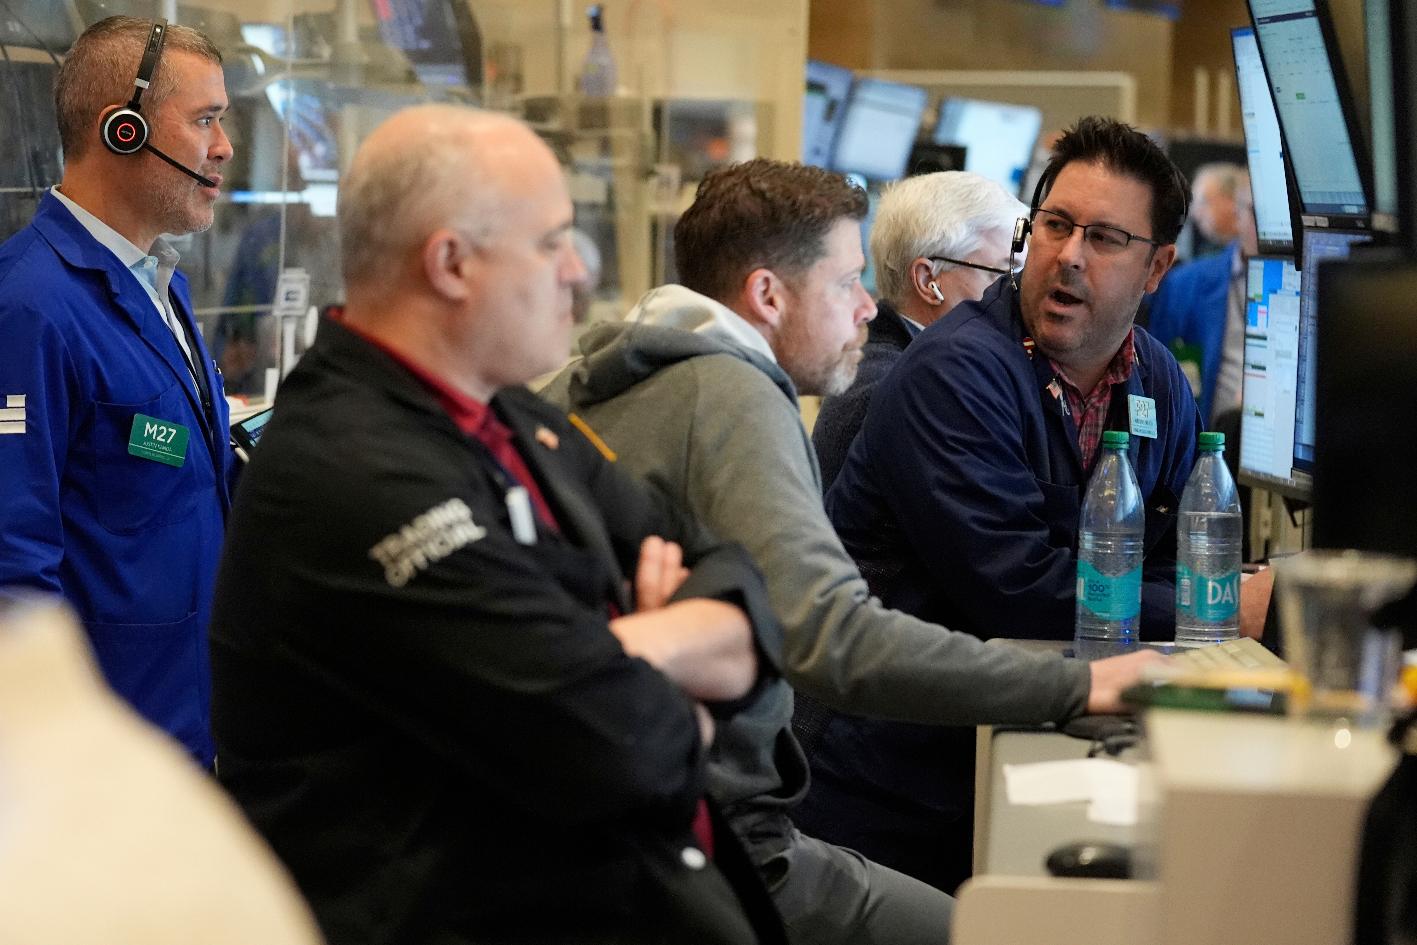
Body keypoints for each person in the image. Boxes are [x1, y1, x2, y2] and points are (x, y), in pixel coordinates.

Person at [209, 105, 787, 945]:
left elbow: (738, 586)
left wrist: (616, 651)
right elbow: (629, 750)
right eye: (551, 242)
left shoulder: (513, 412)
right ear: (451, 263)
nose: (576, 275)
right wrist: (662, 672)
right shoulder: (350, 474)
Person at [540, 158, 1159, 935]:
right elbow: (835, 637)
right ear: (767, 295)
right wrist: (1077, 688)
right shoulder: (728, 395)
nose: (869, 307)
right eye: (847, 281)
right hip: (722, 843)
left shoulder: (586, 381)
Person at [804, 117, 1248, 891]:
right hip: (886, 788)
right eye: (1054, 225)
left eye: (1105, 238)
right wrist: (1225, 605)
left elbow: (1174, 556)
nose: (1069, 255)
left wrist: (1202, 597)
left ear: (1157, 267)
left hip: (1027, 744)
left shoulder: (1156, 384)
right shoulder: (954, 374)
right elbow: (1015, 590)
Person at [0, 16, 236, 765]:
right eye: (205, 120)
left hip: (187, 734)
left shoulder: (161, 286)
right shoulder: (29, 306)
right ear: (124, 130)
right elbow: (12, 573)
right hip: (103, 770)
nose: (225, 147)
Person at [813, 171, 1025, 490]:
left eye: (1023, 272)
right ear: (928, 281)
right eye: (1004, 274)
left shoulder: (907, 365)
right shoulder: (899, 392)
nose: (1020, 293)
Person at [1147, 168, 1257, 424]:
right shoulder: (1184, 285)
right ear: (1238, 212)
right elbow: (1155, 378)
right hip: (1208, 442)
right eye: (1255, 212)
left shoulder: (1310, 285)